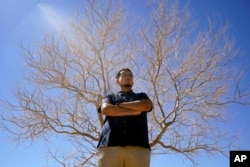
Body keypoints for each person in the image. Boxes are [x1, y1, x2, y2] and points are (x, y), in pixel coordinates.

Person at [97, 68, 153, 167]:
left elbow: (146, 106)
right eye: (124, 75)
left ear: (133, 81)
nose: (128, 77)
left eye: (130, 75)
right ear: (117, 81)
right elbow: (106, 110)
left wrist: (119, 105)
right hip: (109, 147)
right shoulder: (110, 97)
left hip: (138, 147)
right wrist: (134, 112)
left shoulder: (141, 96)